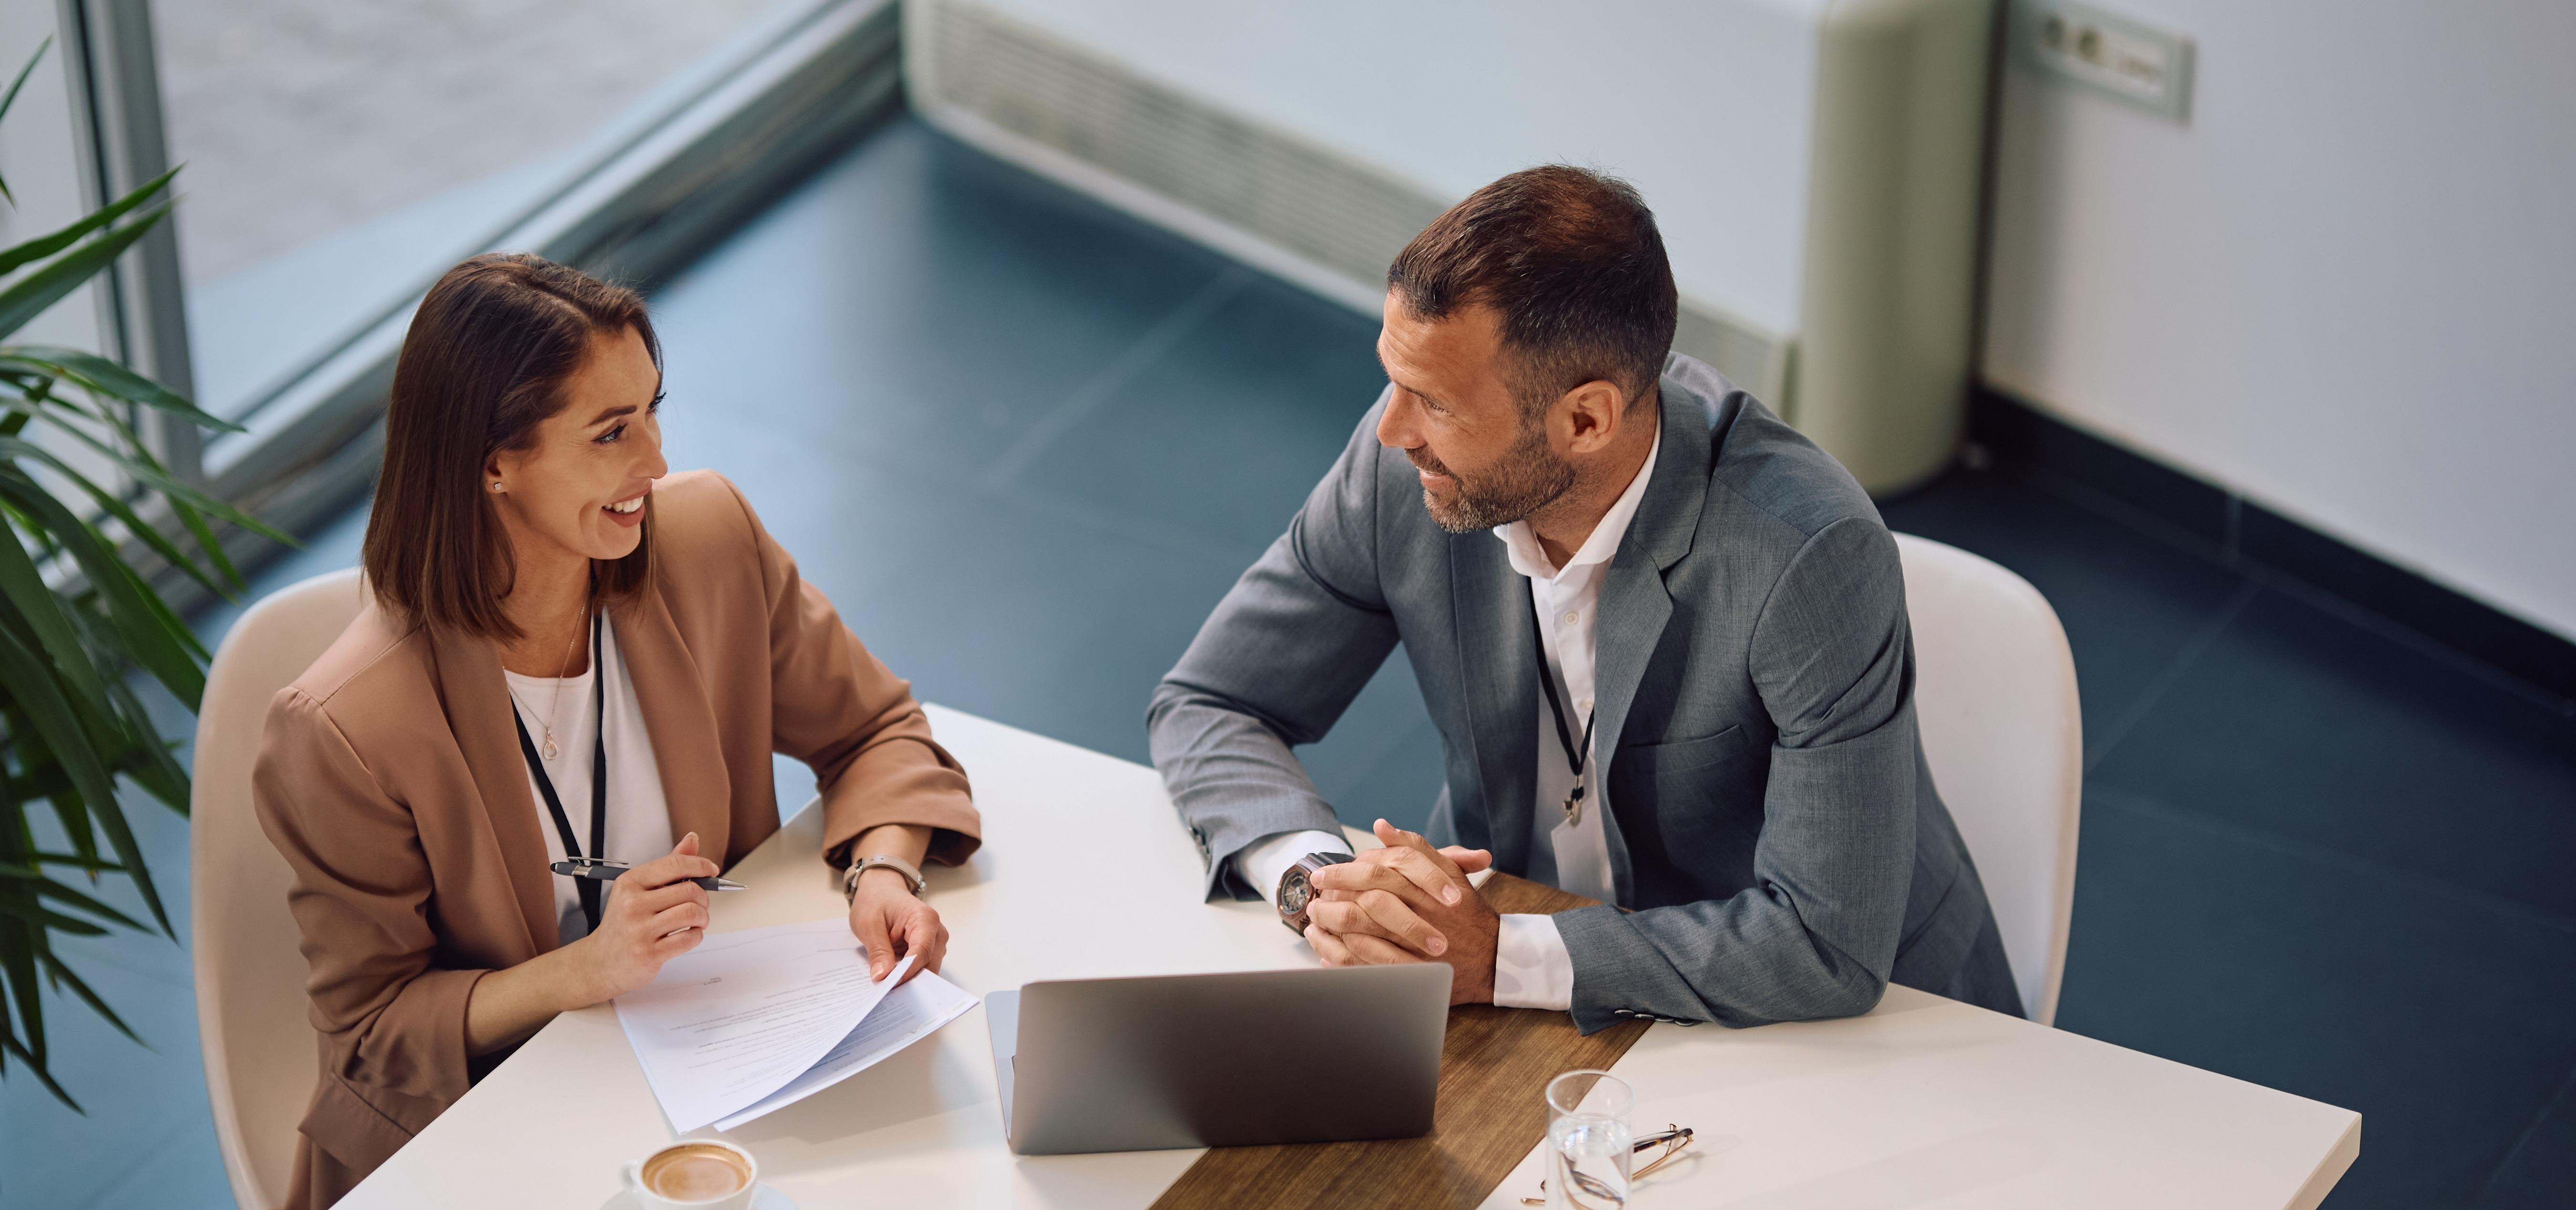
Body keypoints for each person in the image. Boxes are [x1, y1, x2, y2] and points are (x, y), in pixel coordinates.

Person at [1148, 166, 2021, 1034]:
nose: (1392, 431)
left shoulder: (1807, 556)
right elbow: (1210, 703)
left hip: (1835, 1025)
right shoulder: (1401, 468)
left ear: (1586, 422)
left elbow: (1825, 944)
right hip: (1518, 985)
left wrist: (1500, 957)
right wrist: (1322, 889)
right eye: (1395, 379)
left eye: (1437, 403)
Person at [252, 254, 981, 1208]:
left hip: (725, 1081)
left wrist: (883, 870)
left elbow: (878, 729)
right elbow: (374, 1034)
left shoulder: (710, 543)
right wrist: (584, 971)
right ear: (494, 464)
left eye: (652, 412)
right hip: (498, 1122)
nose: (656, 463)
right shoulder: (340, 729)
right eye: (610, 434)